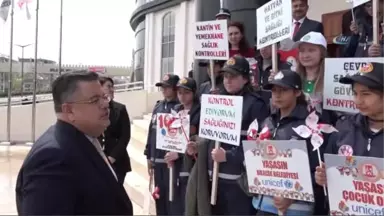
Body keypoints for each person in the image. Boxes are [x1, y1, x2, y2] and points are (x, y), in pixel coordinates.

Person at [15, 72, 133, 215]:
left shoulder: (85, 139)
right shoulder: (53, 158)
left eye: (103, 97)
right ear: (69, 110)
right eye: (94, 100)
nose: (105, 104)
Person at [253, 70, 327, 216]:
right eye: (274, 90)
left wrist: (291, 196)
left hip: (296, 209)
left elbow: (317, 173)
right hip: (263, 205)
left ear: (297, 92)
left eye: (284, 90)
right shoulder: (267, 122)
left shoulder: (310, 126)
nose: (277, 95)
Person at [315, 62, 384, 216]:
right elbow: (329, 170)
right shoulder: (343, 127)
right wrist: (324, 177)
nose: (358, 100)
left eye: (366, 94)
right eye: (355, 93)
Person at [208, 55, 270, 215]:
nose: (227, 80)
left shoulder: (256, 104)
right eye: (225, 76)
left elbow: (258, 145)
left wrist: (229, 156)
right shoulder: (217, 100)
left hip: (239, 182)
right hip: (215, 178)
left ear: (245, 79)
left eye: (233, 76)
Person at [144, 74, 180, 215]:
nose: (163, 90)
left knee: (172, 198)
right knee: (159, 196)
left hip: (171, 162)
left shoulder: (179, 107)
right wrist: (148, 155)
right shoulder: (158, 106)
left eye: (167, 87)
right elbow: (151, 131)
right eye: (162, 87)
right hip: (156, 161)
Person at [166, 77, 201, 215]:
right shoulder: (174, 110)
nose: (182, 96)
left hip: (192, 163)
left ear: (194, 93)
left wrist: (179, 153)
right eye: (179, 92)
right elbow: (170, 137)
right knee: (176, 200)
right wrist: (169, 150)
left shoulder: (201, 111)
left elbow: (199, 141)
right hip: (176, 164)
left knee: (190, 200)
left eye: (186, 92)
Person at [98, 76, 132, 184]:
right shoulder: (93, 109)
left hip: (117, 161)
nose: (112, 89)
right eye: (108, 86)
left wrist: (112, 157)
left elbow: (125, 137)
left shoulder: (120, 109)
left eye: (113, 87)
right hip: (98, 160)